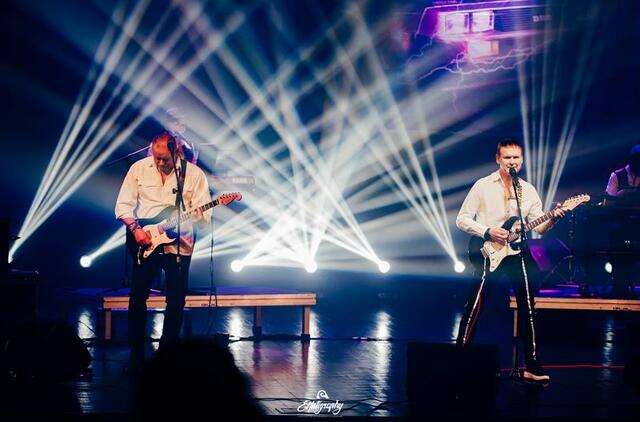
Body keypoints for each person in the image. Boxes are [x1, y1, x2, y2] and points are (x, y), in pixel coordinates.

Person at [455, 139, 565, 382]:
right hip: (489, 251)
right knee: (475, 305)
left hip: (517, 252)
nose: (512, 162)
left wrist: (554, 218)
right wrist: (487, 231)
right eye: (507, 158)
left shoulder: (528, 190)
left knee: (528, 306)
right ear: (498, 159)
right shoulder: (483, 185)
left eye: (516, 158)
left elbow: (540, 226)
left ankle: (532, 365)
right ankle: (459, 358)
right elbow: (462, 219)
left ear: (522, 161)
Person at [115, 131, 212, 371]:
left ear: (175, 152)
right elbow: (123, 205)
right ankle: (136, 352)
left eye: (164, 159)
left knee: (176, 300)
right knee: (138, 297)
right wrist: (135, 229)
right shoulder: (139, 169)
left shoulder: (193, 174)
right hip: (145, 239)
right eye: (156, 157)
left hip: (180, 244)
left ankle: (167, 354)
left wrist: (198, 217)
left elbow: (204, 216)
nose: (159, 162)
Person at [604, 144, 640, 297]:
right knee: (619, 256)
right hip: (620, 225)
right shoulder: (617, 175)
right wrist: (623, 193)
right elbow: (608, 202)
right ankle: (620, 288)